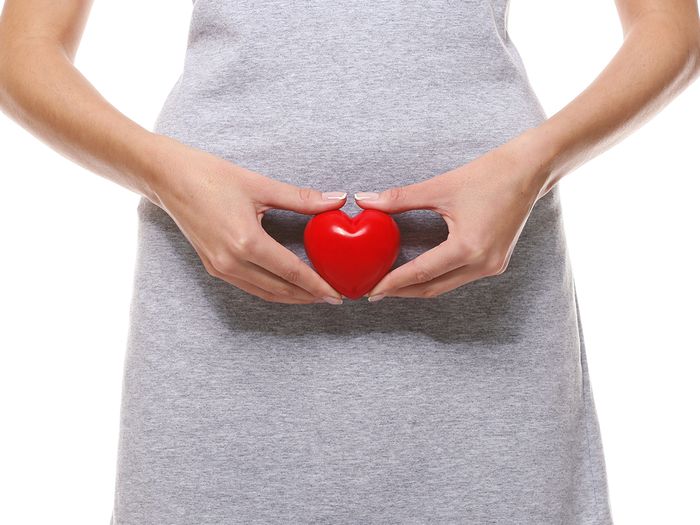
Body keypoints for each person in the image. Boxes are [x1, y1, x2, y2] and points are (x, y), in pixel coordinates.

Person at [1, 1, 698, 523]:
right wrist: (164, 174)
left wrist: (535, 162)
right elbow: (21, 48)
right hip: (219, 281)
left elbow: (673, 27)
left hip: (489, 276)